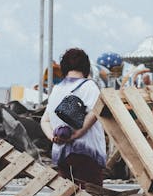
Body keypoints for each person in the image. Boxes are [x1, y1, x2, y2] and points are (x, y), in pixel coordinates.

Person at [41, 48, 107, 187]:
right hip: (87, 154)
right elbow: (95, 113)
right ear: (86, 66)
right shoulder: (90, 86)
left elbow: (44, 120)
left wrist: (53, 137)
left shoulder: (57, 89)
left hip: (61, 155)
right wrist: (75, 135)